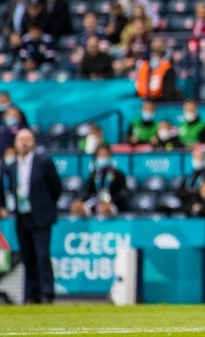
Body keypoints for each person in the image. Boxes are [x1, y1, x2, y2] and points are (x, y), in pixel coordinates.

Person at [2, 130, 61, 304]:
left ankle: (46, 294)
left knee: (42, 255)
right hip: (22, 216)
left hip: (41, 217)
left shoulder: (43, 162)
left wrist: (46, 207)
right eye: (21, 139)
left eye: (27, 139)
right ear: (15, 143)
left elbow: (56, 188)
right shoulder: (11, 166)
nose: (24, 143)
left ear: (34, 141)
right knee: (27, 257)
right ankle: (31, 294)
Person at [70, 145, 130, 217]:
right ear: (96, 157)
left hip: (113, 204)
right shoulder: (94, 175)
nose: (102, 157)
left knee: (104, 209)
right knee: (76, 208)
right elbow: (88, 192)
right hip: (96, 202)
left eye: (105, 155)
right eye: (100, 155)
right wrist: (80, 200)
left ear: (109, 156)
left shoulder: (118, 174)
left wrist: (111, 201)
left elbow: (123, 193)